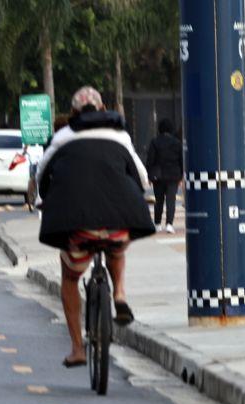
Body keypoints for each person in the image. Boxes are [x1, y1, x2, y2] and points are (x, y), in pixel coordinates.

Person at [37, 85, 154, 368]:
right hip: (116, 224)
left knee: (69, 277)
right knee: (117, 246)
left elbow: (42, 176)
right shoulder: (120, 135)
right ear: (102, 108)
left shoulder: (62, 137)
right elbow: (142, 177)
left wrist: (44, 199)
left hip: (79, 228)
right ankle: (119, 293)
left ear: (73, 112)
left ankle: (77, 348)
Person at [144, 118, 183, 233]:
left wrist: (150, 175)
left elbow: (150, 160)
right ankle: (169, 224)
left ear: (160, 129)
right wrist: (181, 176)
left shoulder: (155, 142)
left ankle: (157, 223)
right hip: (173, 175)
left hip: (158, 176)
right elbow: (181, 160)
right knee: (171, 200)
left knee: (159, 200)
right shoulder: (177, 143)